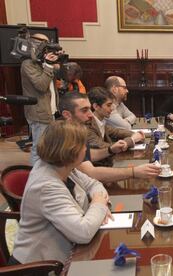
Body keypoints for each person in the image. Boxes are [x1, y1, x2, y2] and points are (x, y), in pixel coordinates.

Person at [10, 121, 112, 264]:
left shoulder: (64, 166)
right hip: (39, 267)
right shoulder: (46, 185)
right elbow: (83, 233)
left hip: (69, 253)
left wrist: (99, 204)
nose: (86, 149)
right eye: (84, 145)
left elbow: (94, 184)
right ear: (71, 150)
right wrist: (98, 205)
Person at [59, 92, 161, 182]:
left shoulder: (75, 130)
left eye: (90, 109)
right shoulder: (62, 137)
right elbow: (91, 173)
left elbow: (90, 155)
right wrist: (134, 172)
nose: (90, 115)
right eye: (84, 110)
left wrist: (110, 150)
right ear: (67, 115)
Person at [21, 33, 60, 165]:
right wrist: (48, 65)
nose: (47, 48)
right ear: (34, 45)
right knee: (39, 149)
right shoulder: (28, 64)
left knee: (48, 148)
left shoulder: (44, 63)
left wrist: (54, 64)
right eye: (45, 44)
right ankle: (35, 180)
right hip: (39, 112)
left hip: (50, 110)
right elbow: (41, 86)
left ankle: (44, 176)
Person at [87, 87, 145, 167]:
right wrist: (131, 140)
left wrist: (137, 134)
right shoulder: (88, 126)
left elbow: (117, 132)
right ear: (96, 106)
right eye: (108, 105)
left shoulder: (101, 121)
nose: (112, 109)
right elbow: (103, 147)